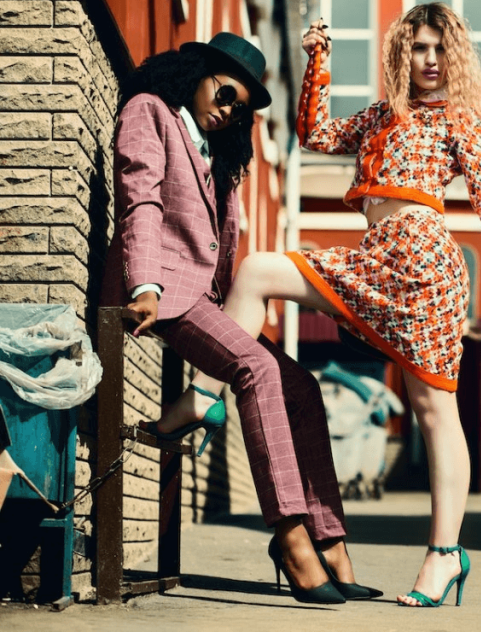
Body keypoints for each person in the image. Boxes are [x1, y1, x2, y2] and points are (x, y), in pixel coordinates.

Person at [176, 2, 481, 607]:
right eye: (419, 48)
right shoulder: (382, 115)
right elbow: (317, 135)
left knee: (434, 415)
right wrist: (318, 60)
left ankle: (443, 556)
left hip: (427, 267)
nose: (429, 61)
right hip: (374, 258)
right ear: (402, 54)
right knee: (257, 271)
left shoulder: (463, 119)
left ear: (451, 55)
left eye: (439, 49)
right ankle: (203, 400)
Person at [101, 32, 380, 605]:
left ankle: (330, 540)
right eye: (223, 92)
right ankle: (289, 537)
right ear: (197, 72)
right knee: (257, 367)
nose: (227, 109)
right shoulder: (150, 111)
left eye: (238, 107)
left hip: (204, 301)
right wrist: (145, 285)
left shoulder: (217, 153)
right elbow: (141, 200)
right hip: (159, 293)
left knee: (302, 386)